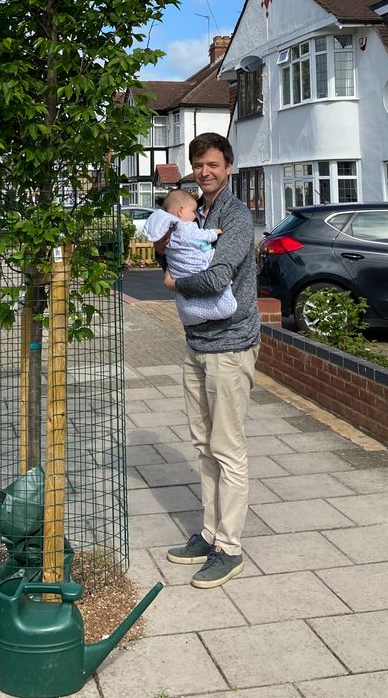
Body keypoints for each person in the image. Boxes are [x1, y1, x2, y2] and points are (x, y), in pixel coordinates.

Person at [160, 131, 260, 589]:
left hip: (231, 345)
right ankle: (209, 533)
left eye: (213, 165)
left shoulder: (237, 217)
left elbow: (218, 275)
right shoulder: (195, 211)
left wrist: (175, 283)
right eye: (199, 165)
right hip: (197, 343)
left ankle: (230, 548)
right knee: (203, 445)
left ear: (228, 167)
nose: (205, 172)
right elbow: (171, 246)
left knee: (228, 449)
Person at [141, 189, 236, 327]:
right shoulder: (184, 227)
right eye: (192, 212)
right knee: (228, 308)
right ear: (180, 211)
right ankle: (203, 312)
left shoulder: (166, 233)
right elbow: (200, 235)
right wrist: (214, 233)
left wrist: (173, 283)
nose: (194, 216)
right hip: (195, 269)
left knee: (189, 303)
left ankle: (190, 314)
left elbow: (170, 256)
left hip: (179, 275)